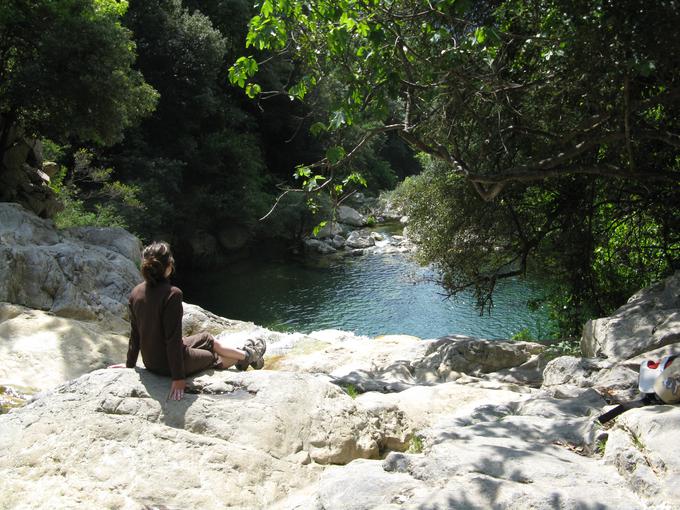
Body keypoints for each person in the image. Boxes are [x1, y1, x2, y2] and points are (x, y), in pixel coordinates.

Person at [109, 241, 265, 400]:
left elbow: (135, 334)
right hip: (169, 365)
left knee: (207, 338)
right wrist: (178, 378)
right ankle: (247, 356)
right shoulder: (172, 294)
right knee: (212, 356)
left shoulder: (136, 292)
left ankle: (246, 355)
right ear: (169, 266)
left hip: (151, 361)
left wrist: (130, 364)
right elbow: (172, 340)